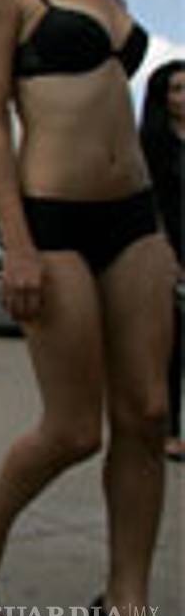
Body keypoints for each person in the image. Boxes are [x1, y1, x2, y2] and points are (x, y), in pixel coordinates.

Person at [0, 0, 173, 616]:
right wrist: (14, 242)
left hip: (138, 220)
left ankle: (126, 608)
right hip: (53, 221)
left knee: (147, 415)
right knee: (76, 428)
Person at [139, 59, 185, 462]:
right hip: (169, 245)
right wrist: (163, 248)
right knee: (172, 344)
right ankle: (169, 429)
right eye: (177, 89)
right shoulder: (153, 144)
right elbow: (149, 201)